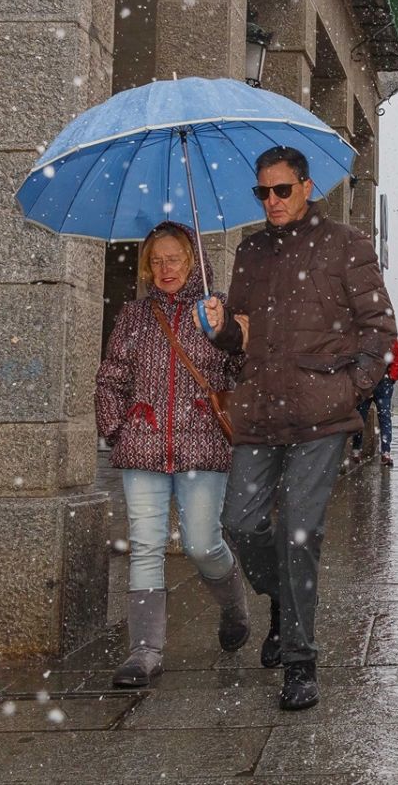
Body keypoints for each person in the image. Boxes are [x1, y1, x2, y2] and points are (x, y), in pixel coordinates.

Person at [203, 146, 396, 712]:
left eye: (281, 190)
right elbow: (241, 335)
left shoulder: (347, 245)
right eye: (262, 192)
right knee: (239, 521)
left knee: (300, 533)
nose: (271, 201)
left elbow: (379, 328)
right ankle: (283, 602)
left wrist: (352, 388)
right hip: (260, 410)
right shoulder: (250, 251)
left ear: (307, 188)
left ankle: (300, 660)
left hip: (322, 413)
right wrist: (221, 328)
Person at [96, 221, 250, 688]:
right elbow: (111, 377)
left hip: (202, 443)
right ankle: (144, 651)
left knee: (202, 545)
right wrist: (117, 428)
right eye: (156, 261)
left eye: (175, 259)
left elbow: (243, 367)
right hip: (143, 443)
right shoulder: (134, 316)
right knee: (146, 545)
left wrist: (224, 329)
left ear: (193, 262)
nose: (166, 269)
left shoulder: (216, 309)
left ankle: (233, 604)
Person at [353, 337, 398, 466]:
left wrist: (392, 377)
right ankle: (356, 449)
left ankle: (385, 452)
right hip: (365, 381)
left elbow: (397, 356)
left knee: (384, 417)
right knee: (360, 416)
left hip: (383, 382)